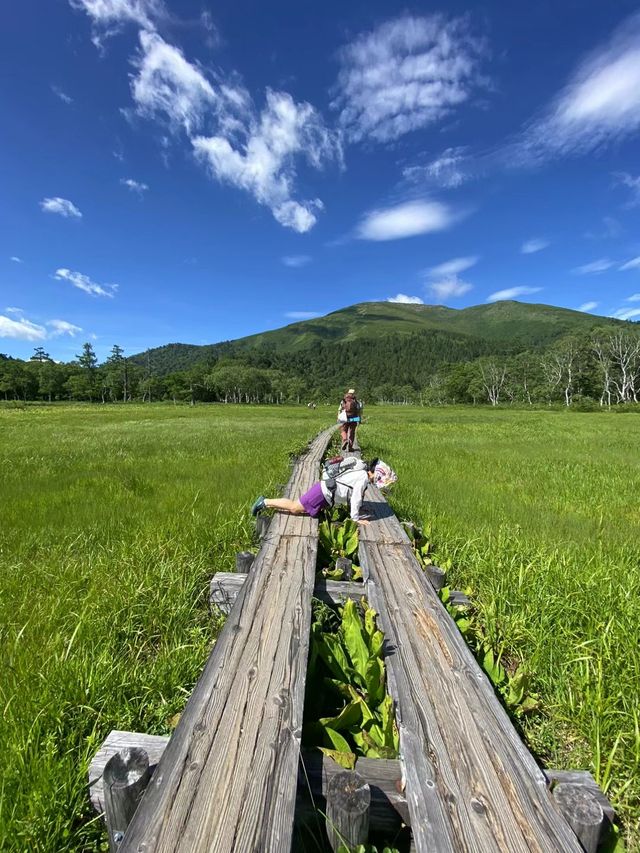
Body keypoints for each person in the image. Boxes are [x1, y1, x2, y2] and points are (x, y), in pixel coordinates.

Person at [251, 458, 378, 526]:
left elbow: (354, 496)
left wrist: (360, 509)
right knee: (294, 507)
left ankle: (266, 502)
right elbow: (355, 497)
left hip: (325, 495)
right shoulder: (363, 478)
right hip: (322, 493)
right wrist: (355, 519)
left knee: (298, 509)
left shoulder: (362, 474)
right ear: (373, 472)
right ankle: (264, 502)